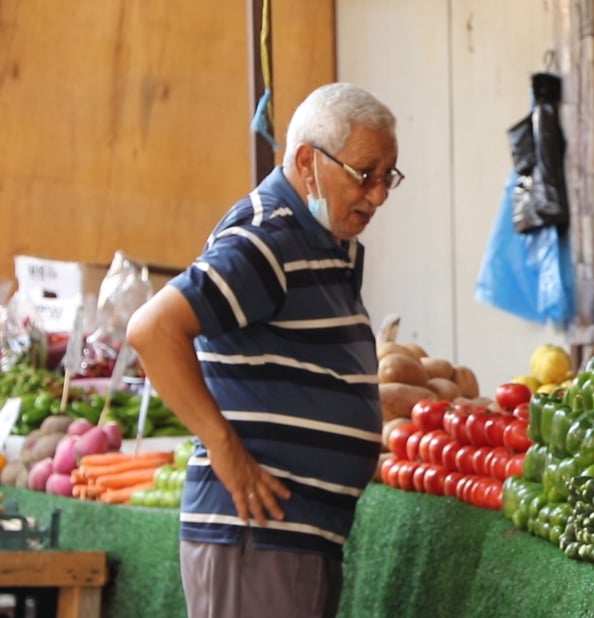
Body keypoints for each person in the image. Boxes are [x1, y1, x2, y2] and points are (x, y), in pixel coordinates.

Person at [126, 83, 403, 618]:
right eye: (365, 174)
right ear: (307, 161)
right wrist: (225, 450)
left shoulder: (318, 241)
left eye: (387, 177)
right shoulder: (266, 240)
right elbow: (152, 330)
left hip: (289, 541)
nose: (378, 194)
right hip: (259, 541)